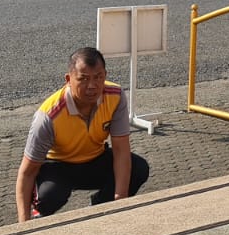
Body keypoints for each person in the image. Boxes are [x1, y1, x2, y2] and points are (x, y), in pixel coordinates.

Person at [16, 47, 150, 221]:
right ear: (68, 79)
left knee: (138, 168)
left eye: (98, 77)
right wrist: (22, 224)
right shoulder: (48, 116)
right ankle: (39, 214)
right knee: (50, 195)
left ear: (105, 75)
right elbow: (26, 172)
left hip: (95, 158)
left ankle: (101, 208)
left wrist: (119, 201)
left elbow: (121, 150)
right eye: (83, 79)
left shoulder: (115, 96)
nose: (92, 86)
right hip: (59, 165)